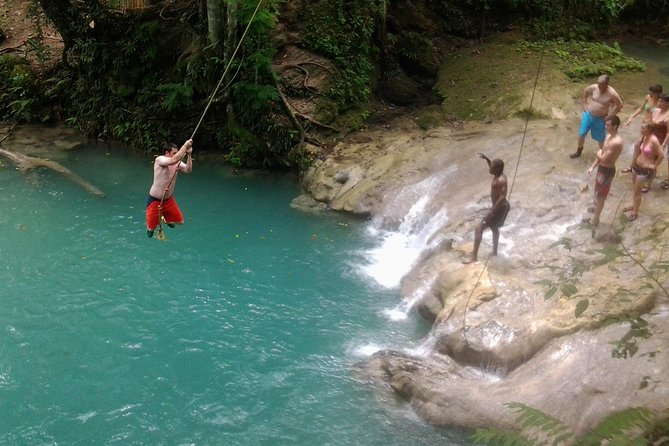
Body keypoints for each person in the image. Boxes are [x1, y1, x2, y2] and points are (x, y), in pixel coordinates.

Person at [462, 153, 510, 264]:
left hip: (500, 208)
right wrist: (487, 159)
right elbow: (493, 166)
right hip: (499, 208)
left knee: (479, 228)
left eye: (492, 168)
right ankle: (494, 253)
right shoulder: (498, 173)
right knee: (494, 228)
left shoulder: (501, 180)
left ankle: (473, 258)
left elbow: (502, 198)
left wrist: (491, 212)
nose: (489, 169)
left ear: (497, 169)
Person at [146, 139, 193, 238]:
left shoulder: (177, 163)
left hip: (168, 199)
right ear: (167, 153)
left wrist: (189, 155)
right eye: (174, 153)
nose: (176, 155)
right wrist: (185, 146)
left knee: (181, 222)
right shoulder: (160, 160)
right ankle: (154, 223)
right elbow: (173, 160)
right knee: (151, 230)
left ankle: (165, 218)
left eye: (176, 153)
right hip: (155, 200)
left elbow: (188, 170)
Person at [570, 74, 623, 159]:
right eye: (598, 83)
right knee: (582, 133)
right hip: (588, 114)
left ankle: (603, 155)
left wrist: (610, 116)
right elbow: (586, 90)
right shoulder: (595, 87)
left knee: (600, 139)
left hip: (600, 118)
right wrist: (584, 103)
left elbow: (620, 105)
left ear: (607, 84)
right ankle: (579, 151)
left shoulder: (612, 93)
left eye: (601, 84)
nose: (599, 86)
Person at [586, 116, 624, 227]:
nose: (605, 127)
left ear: (615, 126)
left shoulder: (617, 142)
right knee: (598, 193)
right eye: (605, 124)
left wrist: (598, 153)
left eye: (608, 125)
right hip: (601, 169)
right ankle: (596, 211)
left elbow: (604, 158)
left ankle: (595, 219)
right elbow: (601, 153)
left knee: (601, 196)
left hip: (607, 170)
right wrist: (592, 167)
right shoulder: (608, 137)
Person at [624, 122, 663, 221]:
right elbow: (637, 150)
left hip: (645, 169)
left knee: (637, 191)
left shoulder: (654, 140)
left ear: (649, 130)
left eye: (643, 128)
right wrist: (632, 164)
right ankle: (634, 205)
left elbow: (661, 154)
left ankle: (635, 212)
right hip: (637, 166)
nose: (641, 130)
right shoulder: (643, 137)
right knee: (635, 189)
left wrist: (654, 165)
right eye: (641, 127)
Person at [651, 94, 669, 190]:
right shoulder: (656, 111)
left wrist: (663, 145)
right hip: (652, 137)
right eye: (659, 101)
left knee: (656, 159)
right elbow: (650, 123)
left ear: (667, 103)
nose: (659, 103)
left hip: (661, 139)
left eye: (662, 101)